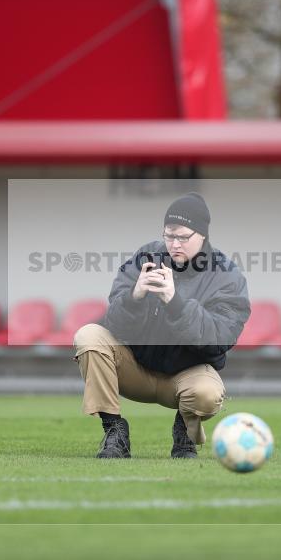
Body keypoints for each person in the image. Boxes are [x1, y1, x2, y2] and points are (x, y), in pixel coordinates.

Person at [73, 192, 250, 459]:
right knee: (88, 335)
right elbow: (114, 322)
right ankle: (114, 430)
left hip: (184, 378)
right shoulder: (146, 256)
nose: (174, 244)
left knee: (208, 394)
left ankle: (185, 433)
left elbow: (218, 341)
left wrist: (175, 303)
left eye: (183, 237)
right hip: (135, 368)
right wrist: (135, 297)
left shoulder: (227, 275)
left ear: (202, 234)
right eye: (169, 235)